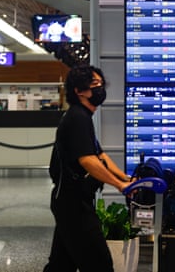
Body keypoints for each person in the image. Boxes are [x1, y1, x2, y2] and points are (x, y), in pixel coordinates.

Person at [43, 64, 132, 272]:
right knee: (99, 264)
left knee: (60, 265)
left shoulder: (82, 116)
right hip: (73, 205)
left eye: (101, 84)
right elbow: (88, 161)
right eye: (94, 85)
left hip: (71, 201)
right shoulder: (77, 118)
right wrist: (119, 184)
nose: (100, 89)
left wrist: (125, 178)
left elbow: (100, 156)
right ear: (79, 90)